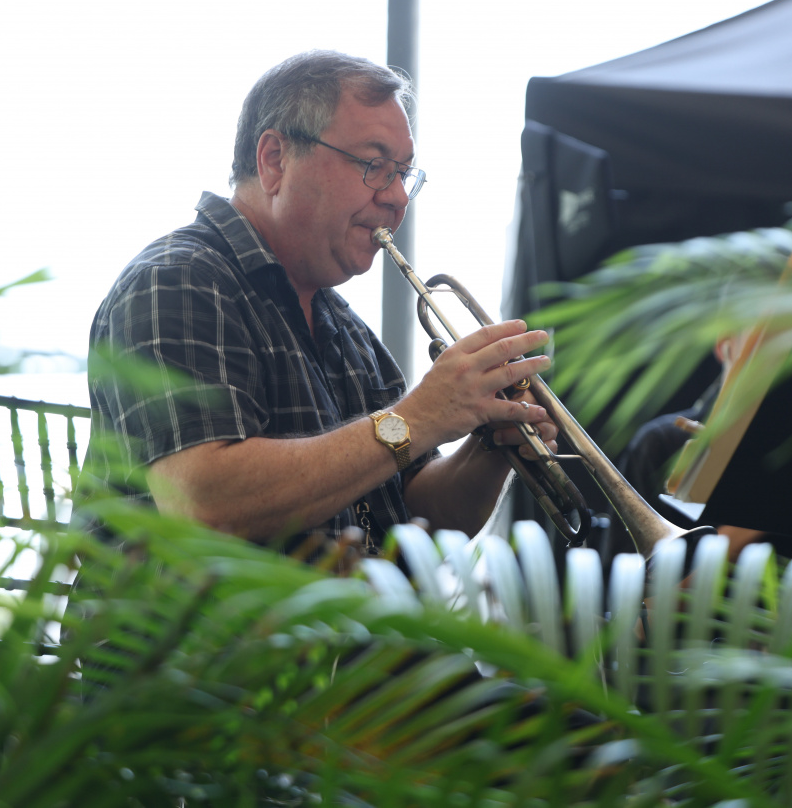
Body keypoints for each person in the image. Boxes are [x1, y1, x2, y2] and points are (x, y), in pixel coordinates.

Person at [85, 50, 557, 556]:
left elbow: (416, 522)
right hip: (191, 611)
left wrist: (488, 446)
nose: (398, 197)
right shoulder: (177, 279)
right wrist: (420, 416)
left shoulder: (345, 327)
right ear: (275, 160)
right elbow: (204, 505)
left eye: (403, 173)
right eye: (374, 165)